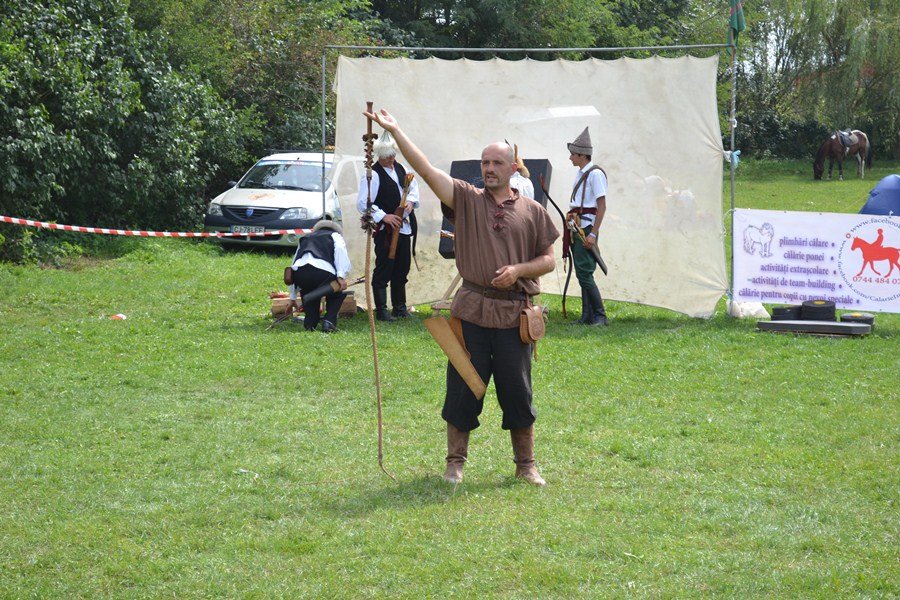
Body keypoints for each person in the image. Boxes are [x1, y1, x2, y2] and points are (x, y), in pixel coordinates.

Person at [364, 107, 559, 487]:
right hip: (471, 312)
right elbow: (427, 172)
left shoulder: (533, 211)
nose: (489, 168)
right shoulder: (466, 199)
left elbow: (549, 259)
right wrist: (397, 132)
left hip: (514, 315)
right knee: (463, 389)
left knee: (518, 392)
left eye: (497, 163)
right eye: (485, 162)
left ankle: (526, 465)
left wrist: (519, 270)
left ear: (512, 167)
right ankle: (455, 463)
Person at [356, 131, 420, 321]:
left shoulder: (402, 169)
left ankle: (399, 308)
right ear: (379, 155)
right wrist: (384, 216)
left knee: (402, 268)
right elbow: (363, 203)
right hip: (386, 231)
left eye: (392, 155)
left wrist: (411, 202)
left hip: (404, 228)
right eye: (385, 156)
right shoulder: (373, 174)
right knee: (384, 268)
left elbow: (413, 190)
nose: (390, 159)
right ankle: (382, 310)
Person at [567, 126, 609, 326]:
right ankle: (587, 316)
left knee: (584, 272)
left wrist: (592, 234)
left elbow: (602, 206)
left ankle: (600, 316)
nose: (570, 158)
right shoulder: (581, 173)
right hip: (578, 226)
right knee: (582, 271)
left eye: (573, 154)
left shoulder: (595, 174)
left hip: (586, 228)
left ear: (582, 155)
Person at [287, 219, 351, 333]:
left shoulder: (306, 237)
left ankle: (310, 324)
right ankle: (329, 322)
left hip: (301, 273)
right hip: (323, 272)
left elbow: (294, 264)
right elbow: (340, 250)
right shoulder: (335, 235)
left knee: (308, 291)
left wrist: (293, 297)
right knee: (336, 292)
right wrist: (341, 276)